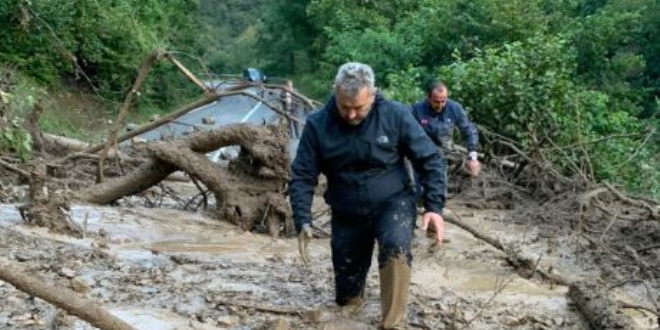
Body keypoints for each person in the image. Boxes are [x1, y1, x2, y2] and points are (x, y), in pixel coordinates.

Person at [289, 62, 447, 329]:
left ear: (372, 95)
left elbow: (430, 159)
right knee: (347, 301)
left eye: (358, 108)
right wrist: (302, 218)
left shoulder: (395, 115)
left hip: (393, 201)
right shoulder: (318, 124)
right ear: (335, 92)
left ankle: (392, 322)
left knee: (396, 246)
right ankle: (352, 302)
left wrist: (434, 207)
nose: (351, 115)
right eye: (344, 107)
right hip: (346, 212)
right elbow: (303, 175)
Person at [411, 81, 481, 177]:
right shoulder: (416, 109)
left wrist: (473, 157)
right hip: (423, 154)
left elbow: (468, 129)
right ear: (428, 98)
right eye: (436, 102)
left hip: (447, 152)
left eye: (443, 101)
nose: (440, 105)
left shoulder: (455, 108)